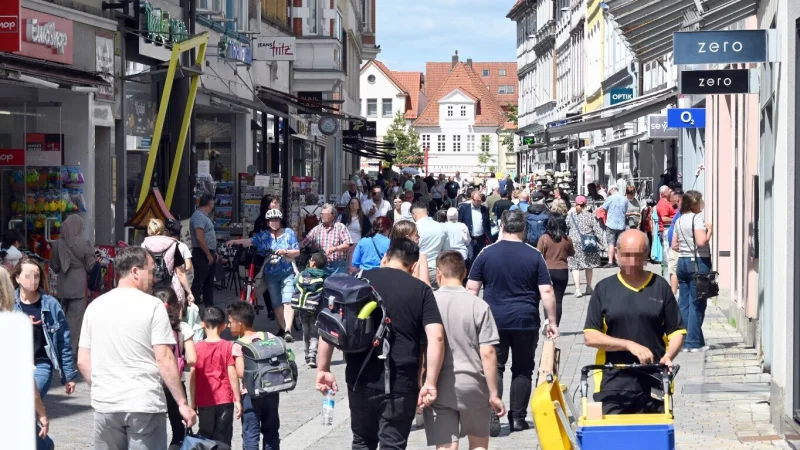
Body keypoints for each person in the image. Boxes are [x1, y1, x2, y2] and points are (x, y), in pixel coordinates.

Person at [315, 238, 445, 450]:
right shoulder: (421, 290)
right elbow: (436, 336)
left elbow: (331, 325)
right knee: (392, 444)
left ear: (385, 257)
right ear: (413, 266)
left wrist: (323, 368)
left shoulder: (357, 281)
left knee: (362, 441)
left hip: (359, 377)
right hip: (400, 380)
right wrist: (430, 381)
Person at [77, 246, 196, 448]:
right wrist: (182, 403)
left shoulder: (95, 306)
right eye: (150, 271)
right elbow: (165, 358)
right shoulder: (153, 306)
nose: (154, 278)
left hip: (106, 405)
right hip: (144, 404)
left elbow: (82, 361)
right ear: (134, 271)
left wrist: (101, 387)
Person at [467, 209, 559, 432]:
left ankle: (493, 411)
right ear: (524, 228)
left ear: (502, 226)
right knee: (523, 369)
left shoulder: (486, 254)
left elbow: (472, 289)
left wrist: (470, 320)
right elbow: (546, 291)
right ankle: (518, 418)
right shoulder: (534, 255)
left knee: (494, 367)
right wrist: (552, 321)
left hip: (493, 320)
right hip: (525, 319)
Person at [584, 230, 686, 414]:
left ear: (646, 254)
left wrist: (669, 356)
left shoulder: (660, 287)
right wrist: (628, 345)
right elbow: (590, 336)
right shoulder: (604, 289)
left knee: (653, 438)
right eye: (626, 255)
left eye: (638, 255)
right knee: (613, 438)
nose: (632, 262)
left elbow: (677, 331)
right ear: (616, 253)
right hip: (613, 379)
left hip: (653, 377)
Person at [426, 251, 506, 444]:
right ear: (465, 273)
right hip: (474, 384)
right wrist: (494, 394)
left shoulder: (428, 303)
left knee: (445, 445)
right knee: (478, 443)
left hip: (438, 384)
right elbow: (488, 352)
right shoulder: (479, 305)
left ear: (438, 273)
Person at [226, 209, 300, 341]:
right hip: (270, 275)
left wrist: (285, 252)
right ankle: (283, 329)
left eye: (277, 220)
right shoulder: (264, 235)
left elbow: (297, 252)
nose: (274, 223)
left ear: (280, 221)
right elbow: (250, 241)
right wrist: (235, 242)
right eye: (272, 220)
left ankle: (288, 329)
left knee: (288, 300)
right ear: (267, 222)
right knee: (276, 303)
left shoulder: (289, 233)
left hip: (287, 272)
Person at [13, 255, 78, 399]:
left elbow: (63, 342)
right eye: (28, 276)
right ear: (17, 278)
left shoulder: (51, 305)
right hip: (14, 365)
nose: (33, 280)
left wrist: (69, 376)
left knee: (29, 401)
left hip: (40, 365)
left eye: (36, 276)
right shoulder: (8, 303)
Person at [228, 302, 281, 450]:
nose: (228, 325)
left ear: (239, 323)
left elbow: (240, 373)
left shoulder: (240, 344)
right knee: (271, 432)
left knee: (251, 433)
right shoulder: (268, 336)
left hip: (250, 395)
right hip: (271, 391)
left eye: (231, 322)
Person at [152, 286, 197, 450]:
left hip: (153, 383)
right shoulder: (183, 327)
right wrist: (180, 361)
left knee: (152, 430)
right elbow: (192, 359)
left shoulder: (149, 327)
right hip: (175, 384)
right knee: (179, 431)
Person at [190, 306, 241, 446]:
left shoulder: (196, 348)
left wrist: (192, 403)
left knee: (206, 437)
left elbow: (193, 377)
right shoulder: (227, 346)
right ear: (223, 326)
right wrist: (237, 399)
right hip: (225, 399)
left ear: (202, 324)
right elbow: (232, 374)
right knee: (223, 437)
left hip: (204, 400)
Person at [672, 191, 713, 352]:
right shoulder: (697, 219)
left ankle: (688, 340)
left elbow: (674, 244)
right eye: (700, 201)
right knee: (697, 303)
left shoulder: (680, 220)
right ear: (694, 204)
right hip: (697, 262)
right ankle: (693, 342)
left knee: (684, 303)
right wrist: (709, 231)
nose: (701, 204)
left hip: (682, 262)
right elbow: (701, 241)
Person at [49, 214, 95, 356]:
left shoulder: (57, 244)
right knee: (74, 321)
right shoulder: (84, 243)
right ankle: (68, 352)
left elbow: (54, 266)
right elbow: (91, 267)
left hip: (63, 286)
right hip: (79, 287)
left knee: (61, 318)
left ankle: (58, 347)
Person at [141, 218, 195, 304]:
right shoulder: (173, 245)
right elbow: (180, 273)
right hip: (169, 288)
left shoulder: (143, 246)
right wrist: (189, 292)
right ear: (164, 230)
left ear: (149, 231)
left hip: (149, 287)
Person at [537, 214, 574, 327]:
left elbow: (538, 254)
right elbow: (571, 253)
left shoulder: (544, 238)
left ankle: (548, 321)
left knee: (546, 297)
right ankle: (555, 325)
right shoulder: (567, 239)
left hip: (547, 271)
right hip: (562, 270)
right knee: (558, 300)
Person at [293, 252, 329, 368]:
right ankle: (313, 356)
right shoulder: (324, 276)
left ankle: (306, 355)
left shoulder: (303, 273)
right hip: (316, 308)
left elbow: (295, 283)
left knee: (306, 332)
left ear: (313, 263)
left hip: (303, 307)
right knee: (314, 333)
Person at [301, 204, 354, 276]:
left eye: (325, 214)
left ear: (333, 216)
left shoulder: (340, 227)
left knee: (338, 286)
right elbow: (304, 243)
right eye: (322, 214)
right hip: (322, 266)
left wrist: (335, 248)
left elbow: (348, 244)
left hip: (338, 266)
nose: (323, 216)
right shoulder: (317, 229)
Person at [567, 196, 604, 297]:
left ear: (575, 204)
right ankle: (588, 287)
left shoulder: (570, 216)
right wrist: (601, 244)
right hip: (588, 243)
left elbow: (566, 227)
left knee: (575, 266)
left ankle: (578, 290)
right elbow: (597, 230)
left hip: (573, 242)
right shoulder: (590, 216)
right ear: (586, 204)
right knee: (589, 265)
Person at [413, 200, 451, 287]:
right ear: (427, 212)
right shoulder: (441, 227)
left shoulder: (413, 228)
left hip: (417, 270)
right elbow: (446, 251)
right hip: (436, 269)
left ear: (414, 214)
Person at [191, 194, 218, 309]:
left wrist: (213, 252)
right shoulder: (199, 216)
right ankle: (192, 306)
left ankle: (209, 306)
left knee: (208, 282)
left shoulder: (204, 216)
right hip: (201, 253)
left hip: (208, 252)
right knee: (199, 281)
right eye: (213, 203)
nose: (213, 206)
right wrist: (208, 254)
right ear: (209, 203)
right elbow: (199, 236)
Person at [458, 190, 491, 274]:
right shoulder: (464, 208)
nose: (479, 202)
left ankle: (479, 274)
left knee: (480, 257)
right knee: (471, 257)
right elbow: (460, 223)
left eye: (480, 200)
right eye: (477, 200)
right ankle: (470, 275)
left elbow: (487, 223)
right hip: (470, 238)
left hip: (481, 238)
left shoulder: (484, 209)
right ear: (472, 199)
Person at [390, 220, 431, 286]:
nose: (419, 237)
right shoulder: (420, 257)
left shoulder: (388, 255)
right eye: (416, 235)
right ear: (407, 238)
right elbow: (426, 284)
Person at [599, 186, 629, 267]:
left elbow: (604, 208)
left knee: (611, 243)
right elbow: (625, 210)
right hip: (621, 224)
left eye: (609, 192)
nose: (609, 193)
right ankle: (619, 260)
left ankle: (610, 261)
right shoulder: (624, 199)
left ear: (612, 190)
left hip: (611, 224)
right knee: (620, 244)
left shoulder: (610, 198)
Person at [339, 197, 372, 272]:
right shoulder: (344, 217)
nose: (353, 205)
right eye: (351, 203)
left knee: (353, 267)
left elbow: (369, 231)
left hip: (357, 244)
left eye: (355, 203)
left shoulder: (363, 218)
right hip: (345, 245)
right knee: (344, 266)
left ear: (359, 206)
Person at [656, 185, 677, 277]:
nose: (670, 190)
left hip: (671, 228)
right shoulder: (662, 204)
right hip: (666, 229)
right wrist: (676, 220)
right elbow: (664, 219)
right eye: (668, 189)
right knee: (667, 252)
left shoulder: (669, 202)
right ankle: (669, 275)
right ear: (663, 193)